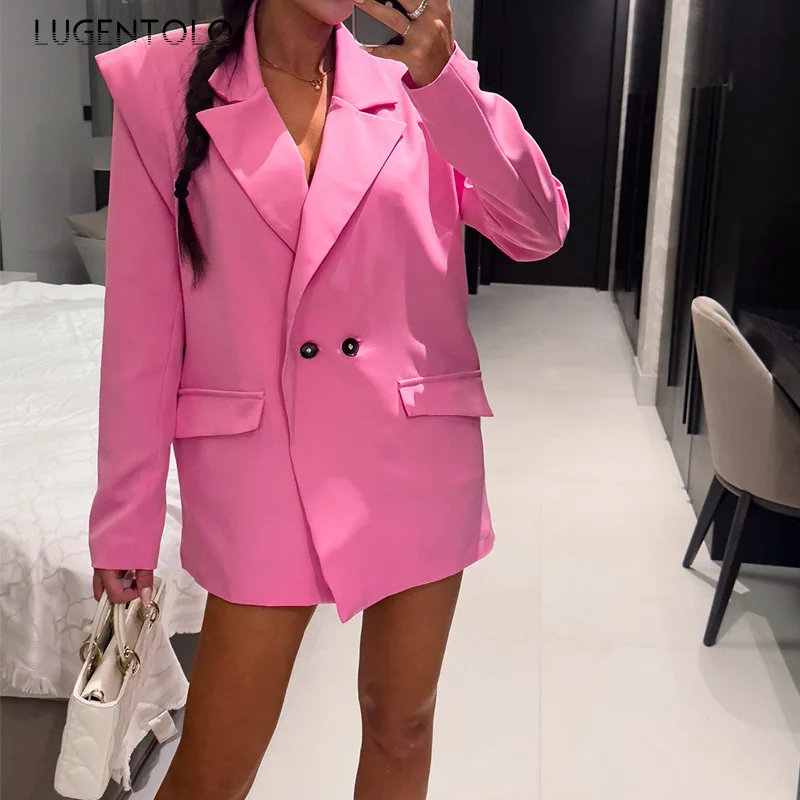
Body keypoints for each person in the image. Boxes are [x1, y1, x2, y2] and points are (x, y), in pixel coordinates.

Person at [89, 0, 568, 797]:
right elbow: (143, 327)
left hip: (415, 453)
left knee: (402, 724)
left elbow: (538, 229)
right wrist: (125, 520)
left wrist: (446, 83)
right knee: (212, 772)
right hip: (260, 469)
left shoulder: (416, 85)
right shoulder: (161, 84)